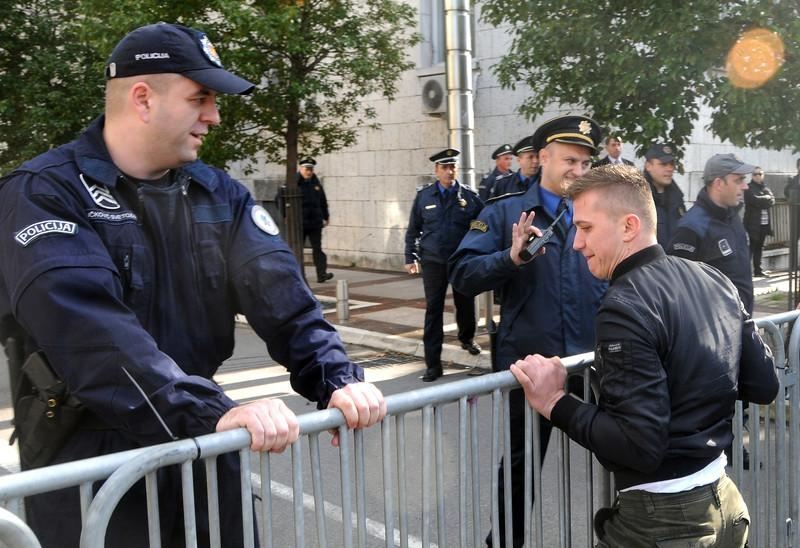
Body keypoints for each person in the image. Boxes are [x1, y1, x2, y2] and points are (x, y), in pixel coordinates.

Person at [0, 22, 386, 548]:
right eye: (199, 98)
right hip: (93, 464)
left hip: (201, 450)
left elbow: (283, 298)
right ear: (142, 98)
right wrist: (209, 411)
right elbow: (89, 333)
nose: (214, 116)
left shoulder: (218, 195)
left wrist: (335, 376)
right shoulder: (45, 193)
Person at [510, 164, 778, 547]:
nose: (576, 244)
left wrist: (553, 401)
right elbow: (763, 383)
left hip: (665, 521)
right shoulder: (713, 278)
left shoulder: (625, 305)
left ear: (629, 226)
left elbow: (637, 446)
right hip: (726, 506)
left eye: (586, 228)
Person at [449, 115, 607, 547]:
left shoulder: (598, 212)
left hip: (597, 360)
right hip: (532, 365)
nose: (579, 170)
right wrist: (510, 258)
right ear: (542, 158)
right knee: (521, 466)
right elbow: (462, 274)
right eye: (570, 160)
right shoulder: (505, 211)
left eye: (586, 163)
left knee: (629, 452)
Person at [404, 148, 484, 382]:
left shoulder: (469, 197)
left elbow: (483, 224)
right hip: (433, 261)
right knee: (434, 311)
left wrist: (476, 245)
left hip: (460, 261)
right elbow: (413, 229)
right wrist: (410, 257)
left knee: (465, 303)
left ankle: (467, 338)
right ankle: (433, 365)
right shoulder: (424, 197)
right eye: (445, 167)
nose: (449, 171)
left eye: (452, 167)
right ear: (436, 170)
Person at [666, 153, 754, 314]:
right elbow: (677, 289)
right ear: (719, 183)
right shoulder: (692, 227)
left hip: (740, 322)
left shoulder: (732, 217)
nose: (745, 186)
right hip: (713, 325)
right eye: (738, 180)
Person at [296, 157, 335, 283]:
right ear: (301, 169)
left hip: (315, 222)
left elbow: (322, 201)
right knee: (298, 250)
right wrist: (286, 216)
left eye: (311, 169)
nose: (309, 172)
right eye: (307, 169)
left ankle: (321, 274)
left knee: (317, 249)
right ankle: (299, 274)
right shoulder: (294, 183)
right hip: (300, 222)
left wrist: (326, 217)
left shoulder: (315, 183)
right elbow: (279, 199)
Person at [643, 142, 685, 247]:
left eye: (671, 164)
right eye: (663, 164)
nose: (670, 169)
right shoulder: (638, 198)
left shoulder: (677, 198)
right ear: (648, 166)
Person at [743, 167, 775, 277]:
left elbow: (772, 201)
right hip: (752, 224)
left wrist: (763, 199)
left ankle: (758, 270)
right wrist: (766, 198)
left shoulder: (765, 187)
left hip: (764, 224)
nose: (758, 176)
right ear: (752, 176)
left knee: (760, 247)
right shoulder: (748, 187)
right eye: (755, 174)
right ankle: (745, 272)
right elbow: (753, 200)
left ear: (763, 175)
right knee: (751, 248)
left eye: (760, 174)